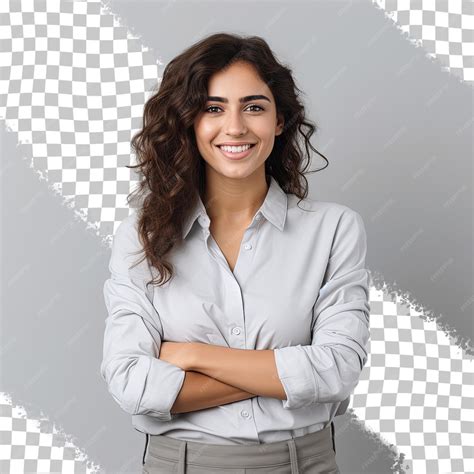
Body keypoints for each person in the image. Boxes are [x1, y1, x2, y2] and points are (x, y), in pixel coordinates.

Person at [100, 32, 370, 474]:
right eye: (213, 108)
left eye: (254, 106)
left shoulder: (334, 230)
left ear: (279, 120)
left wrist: (193, 355)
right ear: (189, 121)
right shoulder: (140, 237)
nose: (236, 126)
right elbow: (131, 382)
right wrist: (286, 376)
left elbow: (337, 370)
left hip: (303, 465)